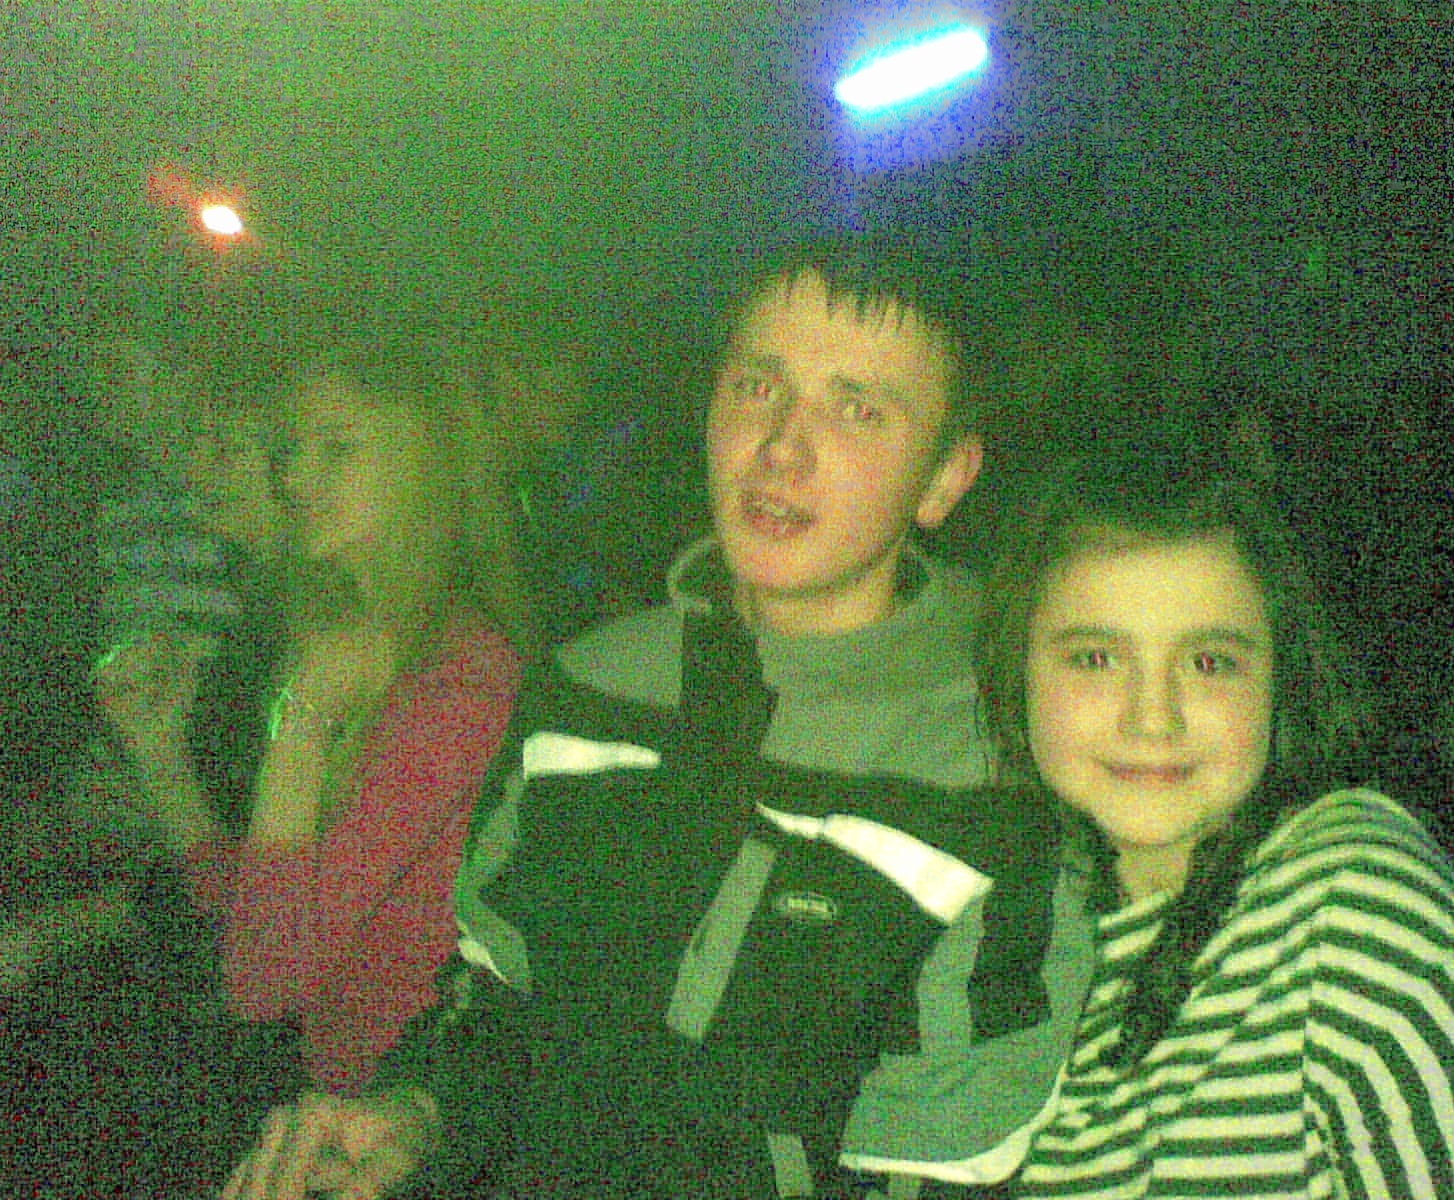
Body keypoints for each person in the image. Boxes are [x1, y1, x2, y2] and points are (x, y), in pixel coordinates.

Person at [221, 235, 1097, 1200]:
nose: (782, 447)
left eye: (857, 409)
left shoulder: (1003, 771)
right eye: (759, 386)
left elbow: (946, 1166)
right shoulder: (588, 686)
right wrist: (418, 1115)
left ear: (944, 478)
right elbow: (496, 1004)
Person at [975, 437, 1454, 1197]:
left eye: (1209, 662)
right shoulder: (996, 922)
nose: (1153, 718)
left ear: (1281, 679)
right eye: (1096, 658)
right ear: (1018, 669)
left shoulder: (1356, 912)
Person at [99, 338, 529, 1109]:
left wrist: (304, 722)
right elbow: (253, 916)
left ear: (425, 464)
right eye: (294, 449)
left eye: (337, 449)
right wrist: (160, 754)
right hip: (308, 1085)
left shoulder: (462, 681)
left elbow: (263, 980)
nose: (296, 477)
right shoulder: (343, 634)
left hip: (377, 1121)